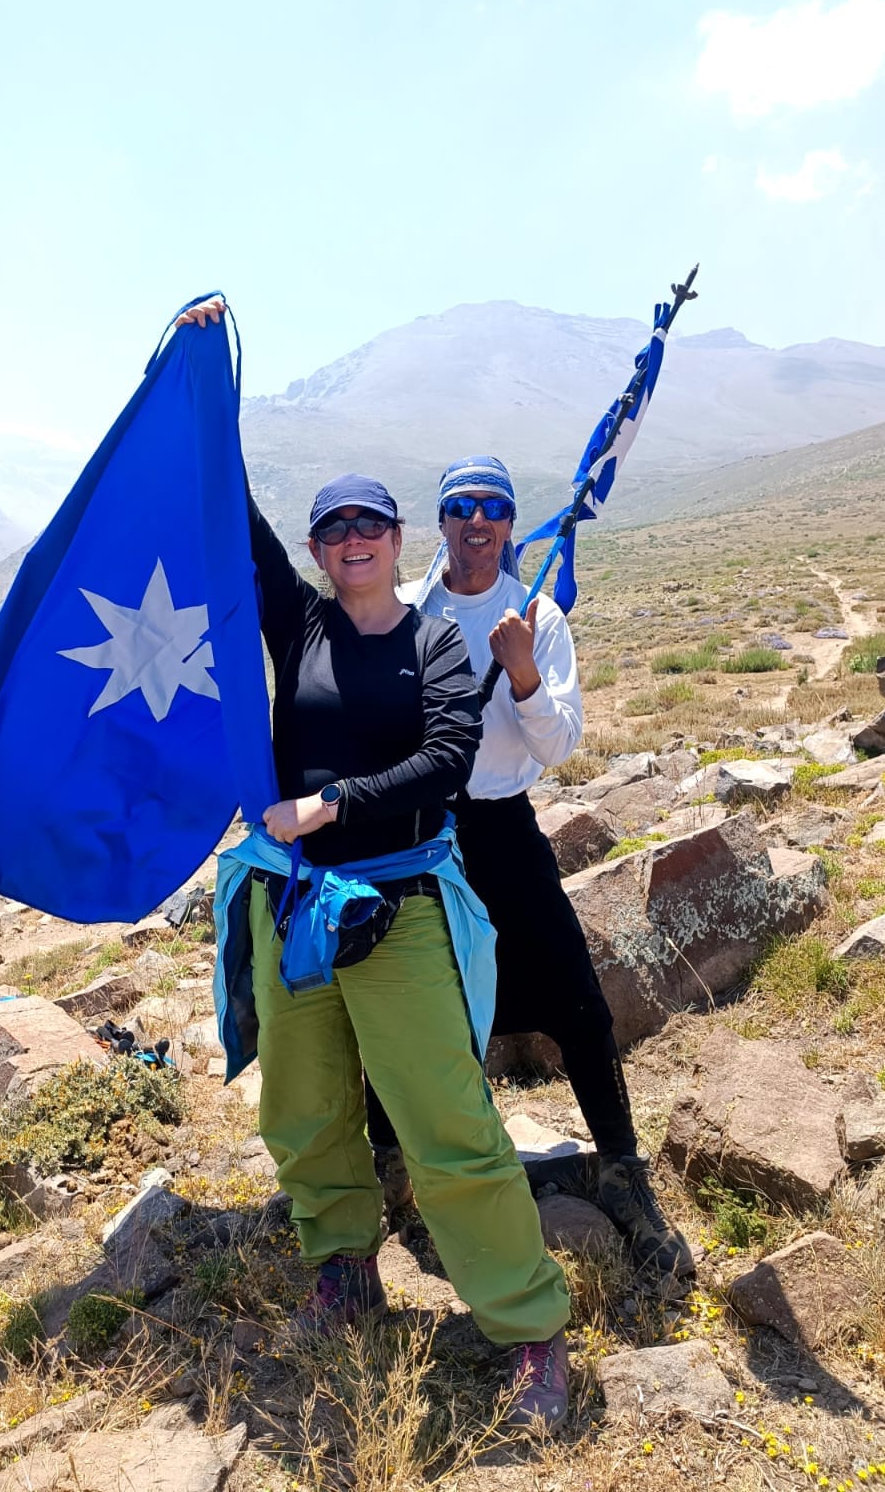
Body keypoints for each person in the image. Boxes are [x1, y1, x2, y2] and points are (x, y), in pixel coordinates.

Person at [180, 299, 574, 1429]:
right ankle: (343, 1267)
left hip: (396, 907)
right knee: (303, 1116)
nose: (352, 541)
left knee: (448, 1122)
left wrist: (327, 802)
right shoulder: (295, 624)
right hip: (293, 905)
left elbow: (448, 761)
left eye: (371, 525)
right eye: (332, 528)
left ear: (399, 540)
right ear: (317, 549)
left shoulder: (434, 640)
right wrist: (211, 378)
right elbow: (238, 520)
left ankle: (528, 1325)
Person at [366, 455, 693, 1282]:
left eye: (494, 507)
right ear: (439, 523)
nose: (477, 521)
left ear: (512, 523)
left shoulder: (538, 615)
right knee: (405, 1002)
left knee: (577, 1001)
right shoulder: (408, 612)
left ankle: (621, 1169)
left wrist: (521, 675)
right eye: (460, 506)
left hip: (504, 828)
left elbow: (560, 746)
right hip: (419, 831)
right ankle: (390, 1168)